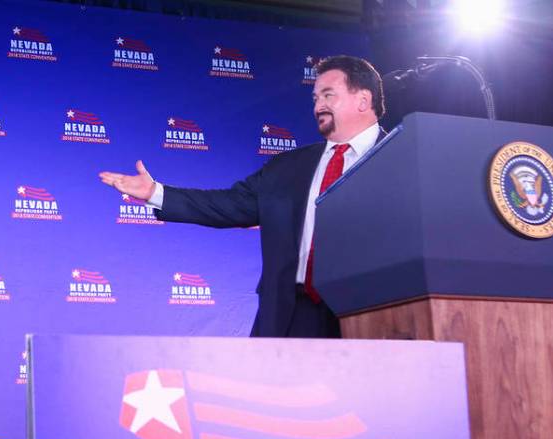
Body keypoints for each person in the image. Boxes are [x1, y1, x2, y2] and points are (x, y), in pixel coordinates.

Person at [100, 55, 386, 337]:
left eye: (328, 95)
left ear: (363, 99)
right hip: (289, 316)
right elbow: (228, 205)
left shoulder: (401, 157)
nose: (318, 106)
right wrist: (155, 193)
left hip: (373, 314)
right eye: (315, 98)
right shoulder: (287, 167)